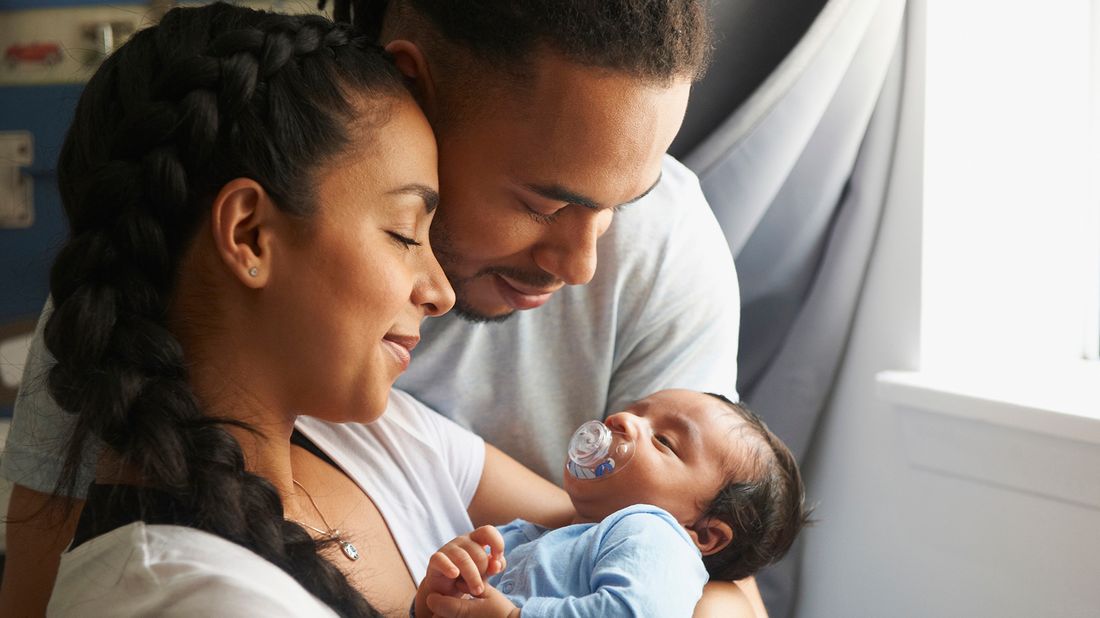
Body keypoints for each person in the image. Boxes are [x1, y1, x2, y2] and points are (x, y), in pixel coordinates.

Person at [2, 0, 757, 615]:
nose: (584, 264)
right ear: (414, 93)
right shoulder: (153, 290)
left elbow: (711, 561)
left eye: (625, 205)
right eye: (542, 202)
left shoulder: (401, 438)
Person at [414, 391, 809, 617]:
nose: (622, 420)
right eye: (637, 410)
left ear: (703, 533)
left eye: (664, 441)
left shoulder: (655, 535)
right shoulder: (532, 536)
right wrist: (437, 596)